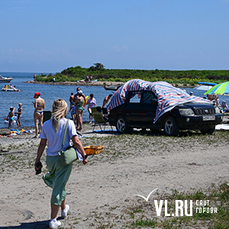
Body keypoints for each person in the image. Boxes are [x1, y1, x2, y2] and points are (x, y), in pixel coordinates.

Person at [35, 99, 88, 229]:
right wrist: (84, 154)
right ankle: (53, 220)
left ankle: (64, 209)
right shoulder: (69, 123)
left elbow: (42, 144)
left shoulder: (46, 124)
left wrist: (37, 160)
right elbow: (76, 140)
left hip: (50, 159)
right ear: (64, 110)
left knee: (60, 183)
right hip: (63, 160)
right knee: (58, 187)